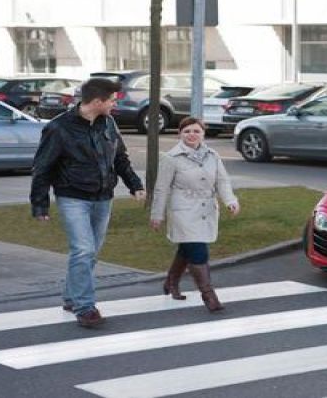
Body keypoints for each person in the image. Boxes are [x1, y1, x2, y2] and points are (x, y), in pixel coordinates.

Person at [30, 77, 145, 328]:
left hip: (103, 197)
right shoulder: (59, 128)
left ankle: (71, 297)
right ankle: (85, 307)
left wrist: (135, 185)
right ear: (97, 101)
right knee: (83, 250)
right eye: (112, 100)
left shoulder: (109, 123)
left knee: (90, 253)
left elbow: (120, 158)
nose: (115, 104)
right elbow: (42, 167)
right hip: (73, 197)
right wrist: (39, 203)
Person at [150, 117, 239, 312]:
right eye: (187, 131)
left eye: (196, 131)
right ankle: (209, 296)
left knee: (187, 247)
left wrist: (230, 201)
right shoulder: (171, 158)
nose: (192, 135)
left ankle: (171, 281)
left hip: (206, 210)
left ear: (203, 134)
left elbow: (222, 181)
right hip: (183, 211)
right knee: (199, 251)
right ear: (179, 134)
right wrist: (157, 214)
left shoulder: (212, 155)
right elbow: (161, 188)